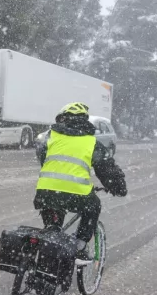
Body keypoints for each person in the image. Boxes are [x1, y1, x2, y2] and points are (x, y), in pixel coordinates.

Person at [35, 102, 128, 262]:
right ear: (85, 121)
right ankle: (80, 246)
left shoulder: (50, 137)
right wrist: (118, 187)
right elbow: (107, 170)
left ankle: (47, 255)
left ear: (62, 119)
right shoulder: (91, 143)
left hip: (45, 193)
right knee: (93, 207)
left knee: (53, 228)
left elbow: (44, 158)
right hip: (76, 195)